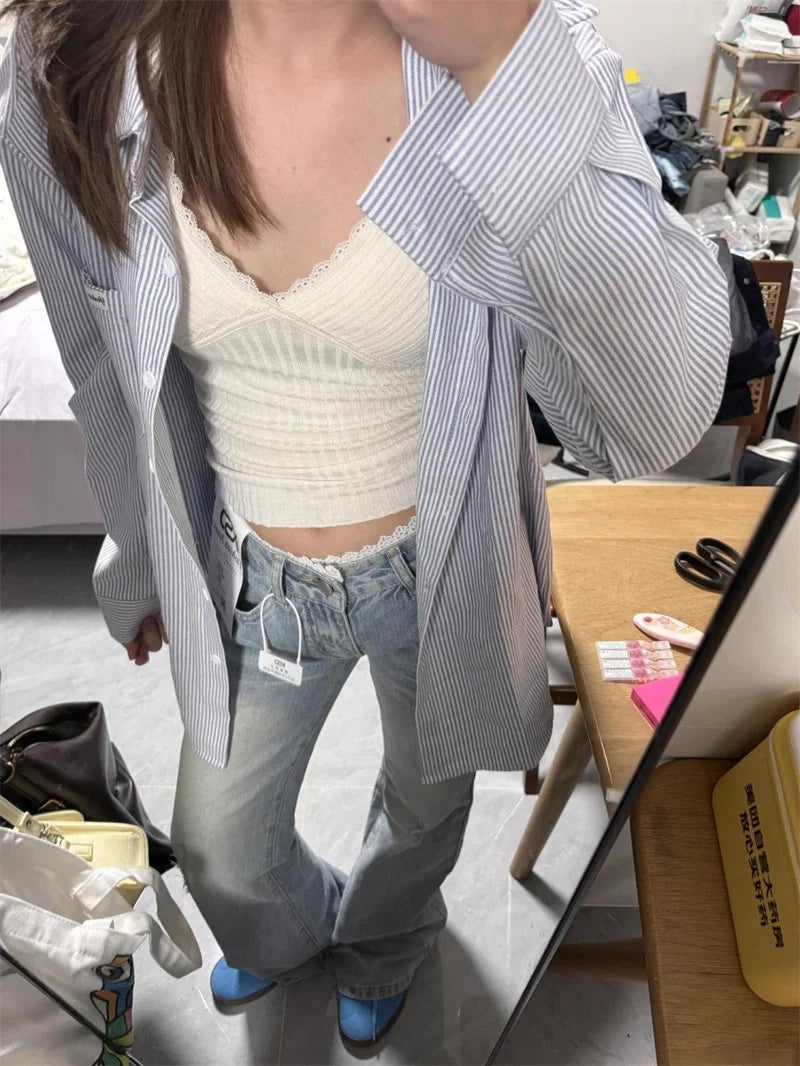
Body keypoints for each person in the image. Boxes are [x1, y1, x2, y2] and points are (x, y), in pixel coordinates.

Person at [0, 0, 731, 1049]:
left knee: (426, 807)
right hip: (257, 581)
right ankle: (291, 932)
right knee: (218, 849)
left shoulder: (528, 41)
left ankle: (388, 939)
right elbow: (100, 368)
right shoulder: (73, 55)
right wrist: (136, 560)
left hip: (446, 567)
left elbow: (648, 418)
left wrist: (502, 61)